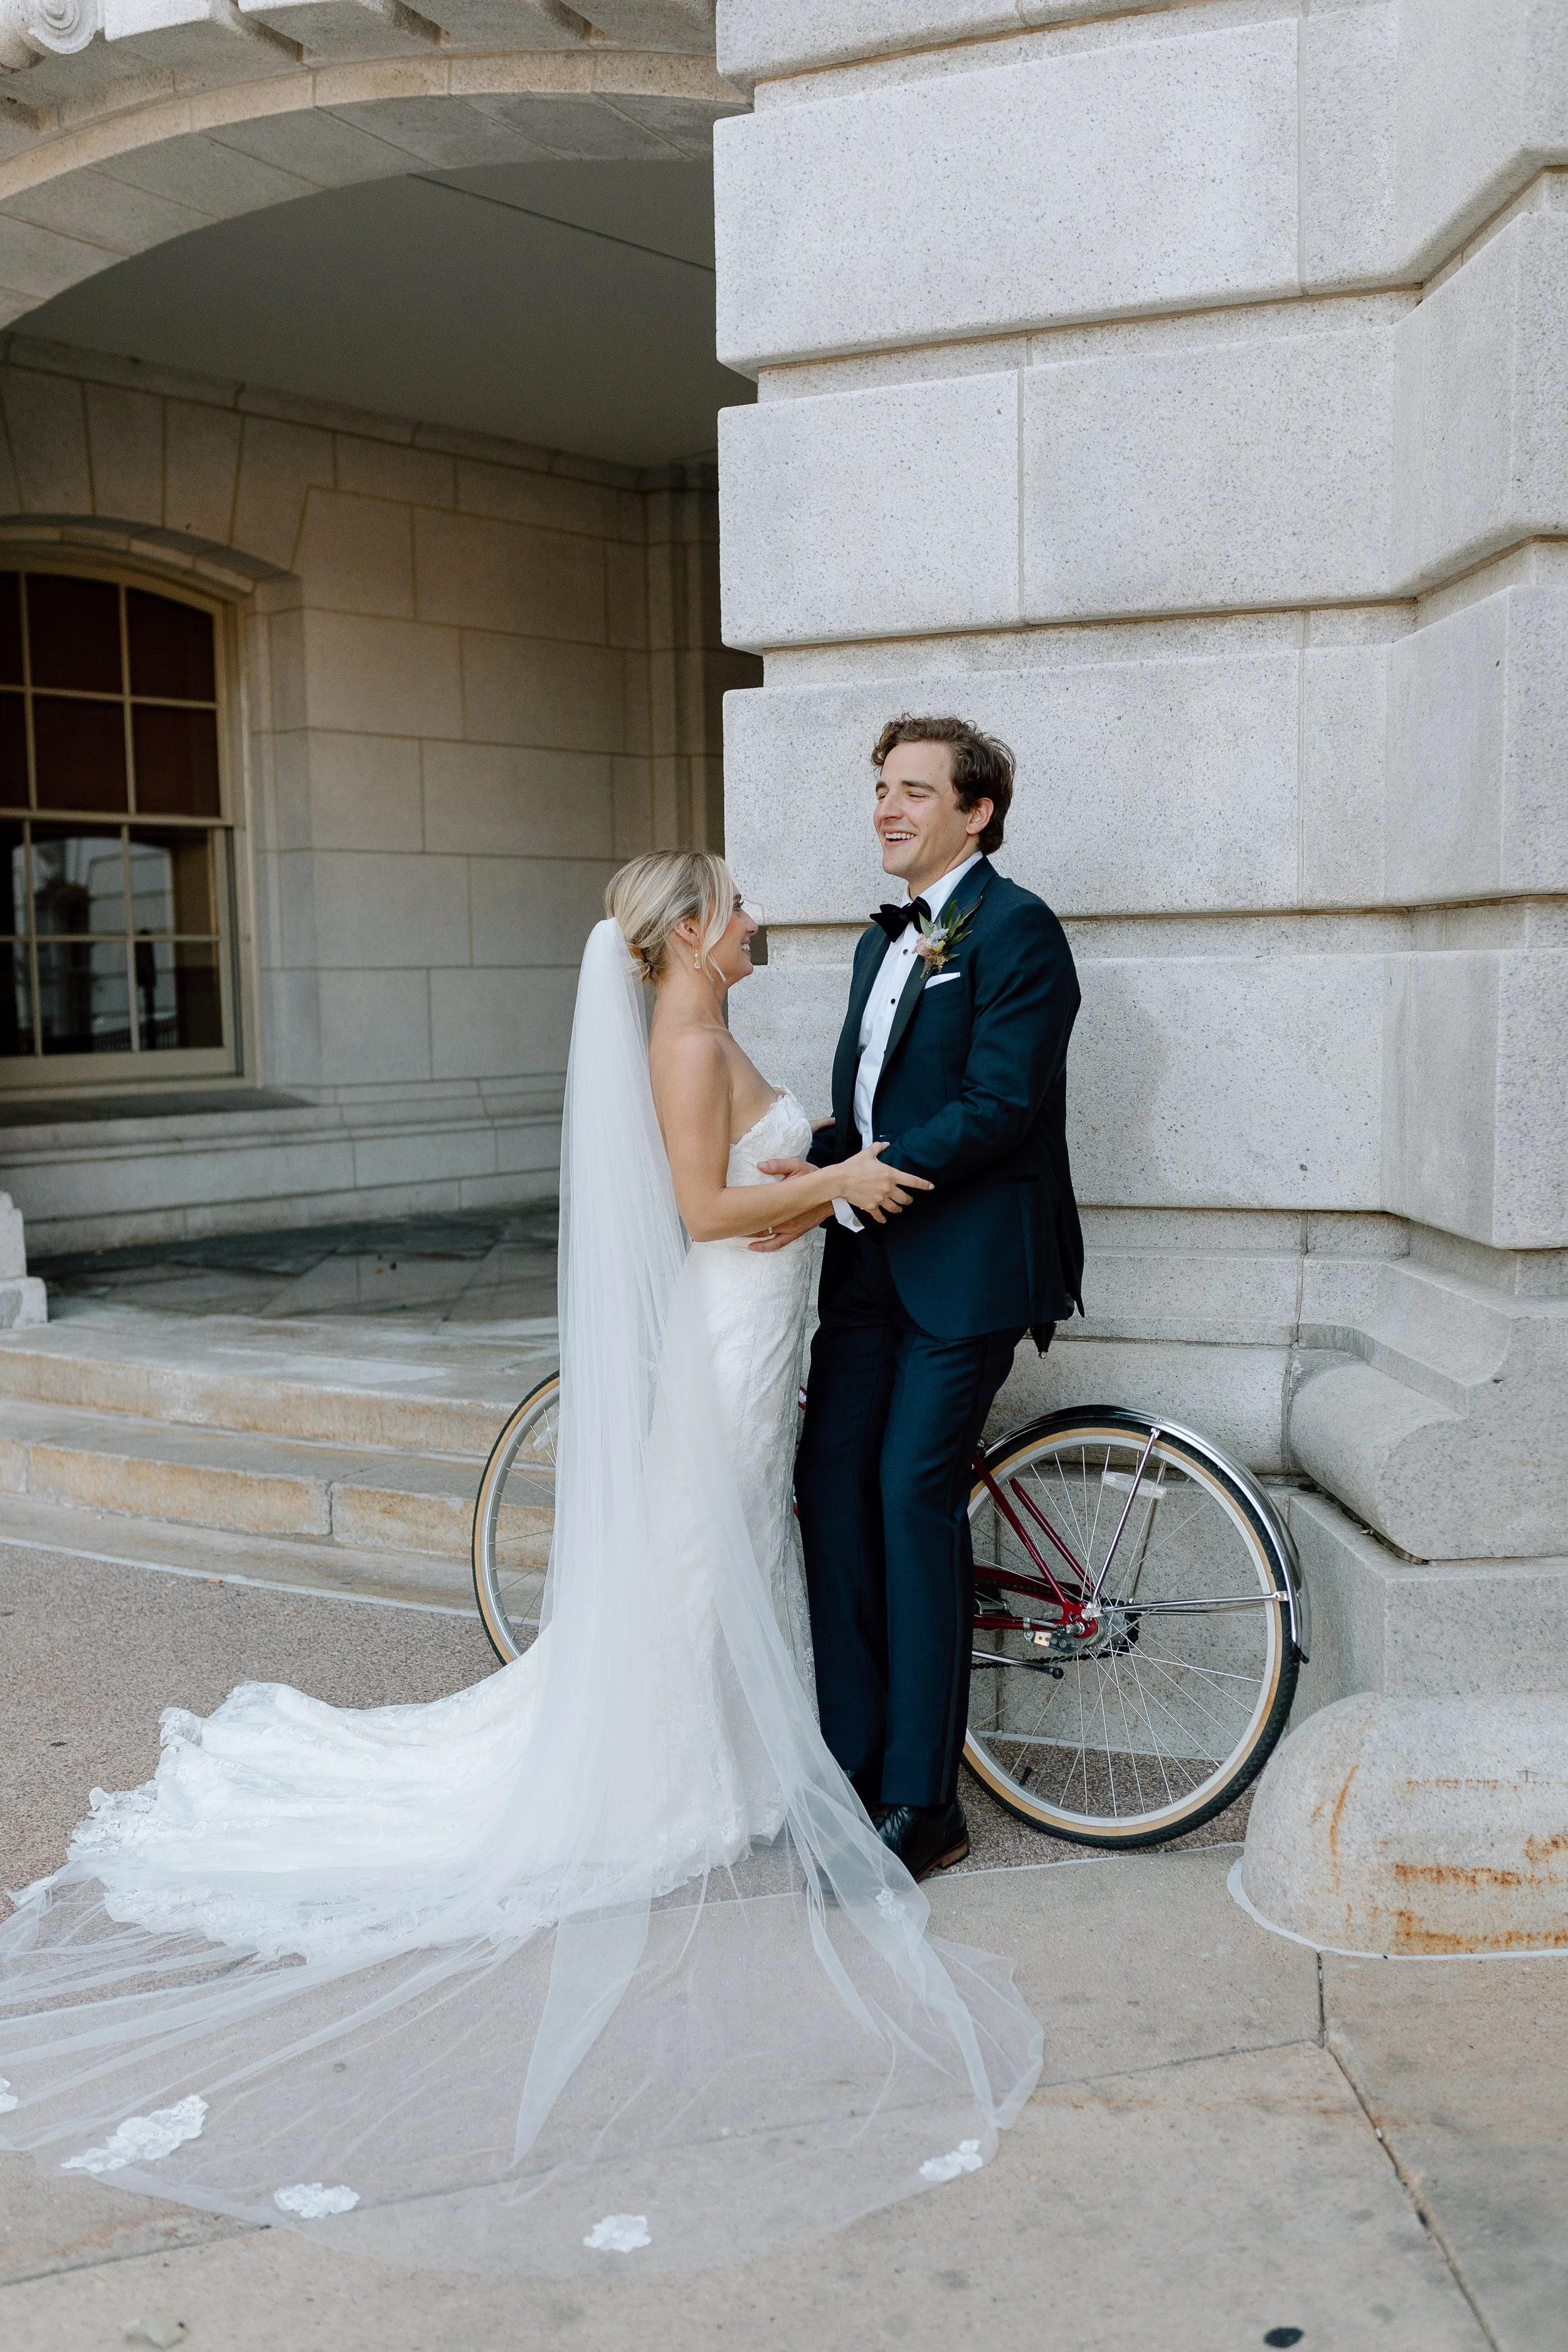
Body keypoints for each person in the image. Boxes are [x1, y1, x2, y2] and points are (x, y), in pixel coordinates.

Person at [0, 850, 1042, 2278]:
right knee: (703, 1546)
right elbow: (698, 1213)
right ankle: (670, 1765)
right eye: (735, 904)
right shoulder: (684, 1040)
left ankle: (734, 1751)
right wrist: (843, 1179)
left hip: (765, 1323)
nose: (754, 917)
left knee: (732, 1540)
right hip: (734, 1331)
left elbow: (746, 1184)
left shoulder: (708, 1023)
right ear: (692, 932)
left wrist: (808, 1181)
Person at [756, 718, 1083, 1883]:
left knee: (909, 1494)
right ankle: (851, 1768)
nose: (888, 810)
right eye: (882, 789)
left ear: (976, 812)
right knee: (828, 1487)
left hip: (969, 1270)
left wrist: (857, 1175)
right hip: (868, 1268)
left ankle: (923, 1801)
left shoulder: (1021, 929)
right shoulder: (877, 943)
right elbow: (879, 1109)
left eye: (915, 791)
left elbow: (998, 1105)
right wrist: (817, 1165)